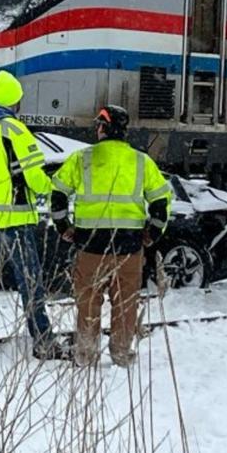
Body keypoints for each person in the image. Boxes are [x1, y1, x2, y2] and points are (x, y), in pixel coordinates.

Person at [0, 71, 69, 360]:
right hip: (12, 219)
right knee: (29, 279)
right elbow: (34, 176)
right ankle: (43, 339)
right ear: (14, 101)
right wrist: (52, 189)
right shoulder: (15, 131)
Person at [50, 105, 172, 367]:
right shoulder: (141, 161)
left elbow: (58, 193)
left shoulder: (82, 159)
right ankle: (121, 355)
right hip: (129, 247)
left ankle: (86, 354)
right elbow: (162, 200)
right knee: (125, 305)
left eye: (98, 125)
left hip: (91, 246)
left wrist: (64, 228)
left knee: (88, 303)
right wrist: (153, 232)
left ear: (103, 128)